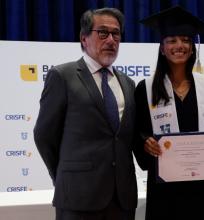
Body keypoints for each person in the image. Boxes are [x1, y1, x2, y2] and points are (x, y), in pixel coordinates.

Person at [34, 8, 140, 220]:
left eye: (116, 34)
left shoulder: (128, 84)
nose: (111, 40)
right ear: (84, 38)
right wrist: (65, 175)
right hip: (77, 197)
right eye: (102, 33)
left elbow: (127, 137)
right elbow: (44, 135)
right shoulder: (62, 76)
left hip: (122, 199)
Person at [135, 6, 204, 220]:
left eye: (185, 40)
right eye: (171, 40)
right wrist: (145, 143)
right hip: (165, 188)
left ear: (192, 48)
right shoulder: (146, 88)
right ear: (162, 48)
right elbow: (137, 132)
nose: (179, 46)